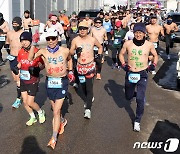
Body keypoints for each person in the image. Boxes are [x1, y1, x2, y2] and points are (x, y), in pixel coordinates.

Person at [28, 28, 74, 149]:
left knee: (56, 111)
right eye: (48, 39)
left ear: (57, 39)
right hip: (50, 82)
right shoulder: (43, 51)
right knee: (55, 108)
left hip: (62, 82)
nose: (51, 41)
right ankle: (62, 121)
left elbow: (69, 60)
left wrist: (70, 72)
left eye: (53, 38)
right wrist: (33, 43)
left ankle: (53, 138)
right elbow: (30, 58)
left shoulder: (65, 50)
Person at [119, 23, 158, 132]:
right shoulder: (128, 44)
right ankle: (134, 94)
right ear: (133, 33)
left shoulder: (149, 45)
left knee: (140, 99)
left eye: (140, 32)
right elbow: (121, 54)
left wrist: (153, 65)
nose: (138, 34)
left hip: (142, 74)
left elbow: (155, 55)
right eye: (136, 32)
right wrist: (123, 65)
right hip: (130, 73)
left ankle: (137, 121)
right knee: (128, 96)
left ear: (144, 34)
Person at [70, 21, 103, 119]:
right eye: (80, 28)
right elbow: (71, 51)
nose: (82, 30)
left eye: (84, 28)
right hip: (80, 67)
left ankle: (88, 109)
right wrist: (76, 51)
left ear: (88, 29)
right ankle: (89, 98)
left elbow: (100, 46)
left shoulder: (92, 39)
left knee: (89, 88)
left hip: (90, 66)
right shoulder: (75, 40)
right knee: (83, 87)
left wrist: (99, 55)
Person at [15, 32, 46, 126]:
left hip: (33, 79)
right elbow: (20, 63)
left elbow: (43, 65)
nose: (23, 42)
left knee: (30, 102)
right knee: (25, 102)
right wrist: (18, 69)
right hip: (23, 79)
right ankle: (32, 117)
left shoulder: (36, 51)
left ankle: (40, 112)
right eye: (22, 41)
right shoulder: (20, 51)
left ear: (30, 40)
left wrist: (37, 69)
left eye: (25, 40)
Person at [6, 17, 24, 108]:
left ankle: (18, 99)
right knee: (16, 79)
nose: (15, 26)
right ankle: (22, 93)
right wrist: (9, 54)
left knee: (19, 80)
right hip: (12, 58)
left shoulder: (23, 33)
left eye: (17, 24)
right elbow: (7, 43)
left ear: (20, 24)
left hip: (20, 58)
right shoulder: (9, 33)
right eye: (13, 24)